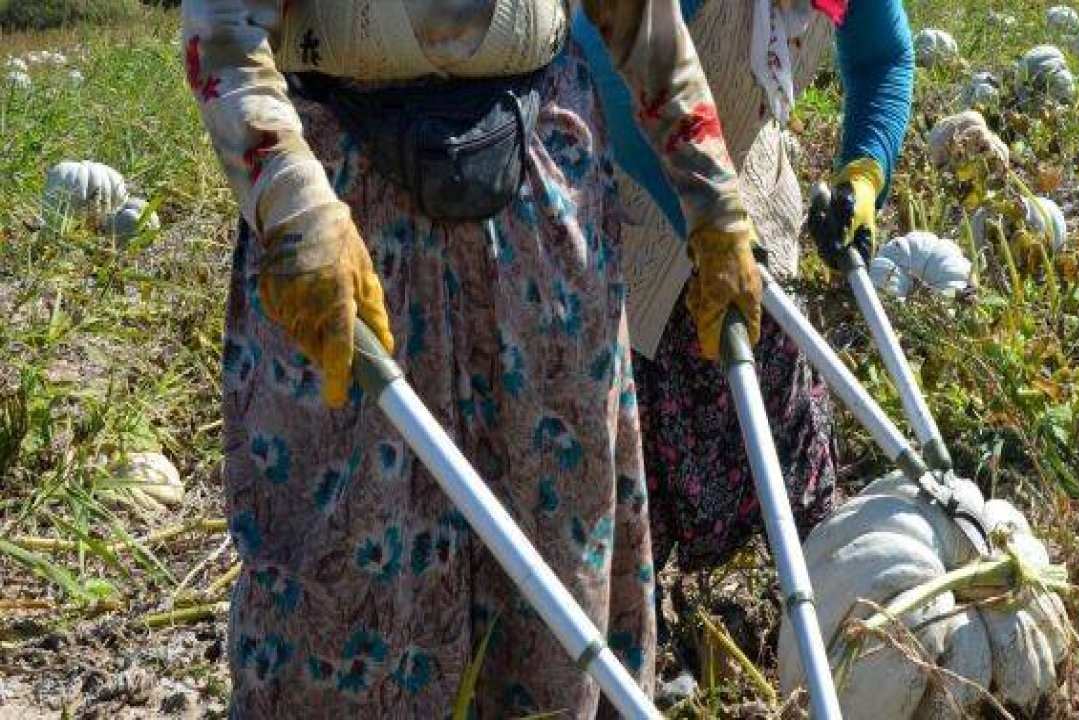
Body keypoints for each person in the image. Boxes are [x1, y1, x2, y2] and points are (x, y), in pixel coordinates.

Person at [181, 0, 763, 716]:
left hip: (540, 212)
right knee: (345, 546)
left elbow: (644, 23)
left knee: (553, 535)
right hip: (346, 225)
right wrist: (294, 208)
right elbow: (224, 39)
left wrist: (715, 203)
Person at [574, 0, 914, 578]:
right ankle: (633, 614)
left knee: (787, 437)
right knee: (627, 484)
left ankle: (826, 592)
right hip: (628, 208)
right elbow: (610, 70)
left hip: (752, 211)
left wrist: (865, 169)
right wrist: (707, 217)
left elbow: (883, 58)